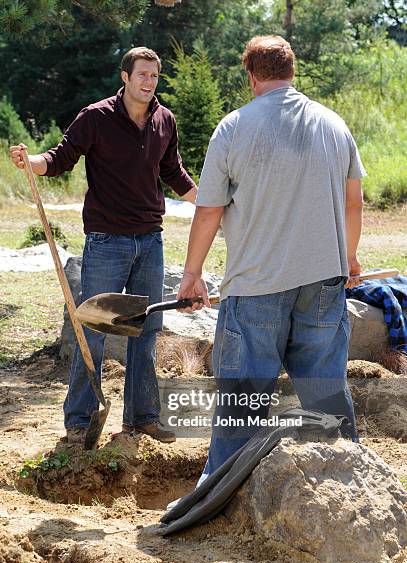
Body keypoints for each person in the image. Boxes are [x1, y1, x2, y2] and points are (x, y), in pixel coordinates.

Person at [177, 35, 365, 481]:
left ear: (252, 76)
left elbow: (209, 210)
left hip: (256, 284)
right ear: (291, 72)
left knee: (242, 402)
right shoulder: (334, 124)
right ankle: (353, 487)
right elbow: (353, 201)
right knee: (327, 398)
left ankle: (218, 491)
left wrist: (192, 274)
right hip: (323, 281)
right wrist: (350, 257)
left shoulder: (234, 126)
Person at [10, 46, 197, 445]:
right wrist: (33, 162)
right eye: (142, 75)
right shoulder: (95, 117)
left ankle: (142, 418)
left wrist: (212, 201)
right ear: (125, 77)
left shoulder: (164, 120)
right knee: (92, 330)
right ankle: (79, 421)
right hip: (106, 242)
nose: (149, 82)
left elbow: (174, 173)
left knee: (147, 332)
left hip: (150, 240)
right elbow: (60, 158)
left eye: (154, 76)